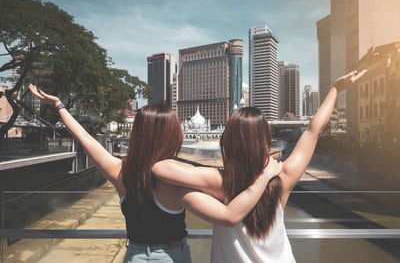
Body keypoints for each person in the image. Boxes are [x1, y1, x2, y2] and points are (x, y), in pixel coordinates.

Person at [29, 84, 282, 263]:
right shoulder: (175, 184)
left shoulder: (121, 172)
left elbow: (86, 139)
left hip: (135, 256)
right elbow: (229, 216)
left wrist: (60, 107)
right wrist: (265, 175)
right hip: (170, 256)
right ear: (172, 135)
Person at [150, 70, 367, 262]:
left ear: (228, 142)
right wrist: (336, 90)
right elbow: (313, 130)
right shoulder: (282, 176)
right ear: (265, 140)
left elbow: (159, 169)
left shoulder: (220, 181)